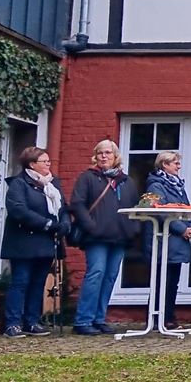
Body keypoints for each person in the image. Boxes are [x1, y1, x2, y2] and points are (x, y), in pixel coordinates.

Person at [70, 140, 139, 335]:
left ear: (115, 156)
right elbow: (77, 204)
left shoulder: (126, 181)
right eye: (100, 153)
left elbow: (134, 207)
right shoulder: (88, 178)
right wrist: (91, 226)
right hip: (96, 238)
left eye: (108, 153)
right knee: (96, 274)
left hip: (120, 238)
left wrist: (133, 229)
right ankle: (83, 320)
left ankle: (99, 318)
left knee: (110, 277)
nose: (104, 156)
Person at [1, 147, 69, 338]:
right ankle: (13, 323)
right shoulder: (19, 184)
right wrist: (47, 224)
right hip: (24, 242)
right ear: (32, 164)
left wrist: (64, 223)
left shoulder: (52, 185)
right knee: (20, 281)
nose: (48, 164)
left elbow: (63, 207)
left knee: (38, 282)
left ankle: (31, 321)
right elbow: (19, 210)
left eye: (49, 161)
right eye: (44, 161)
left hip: (46, 242)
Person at [144, 151, 191, 327]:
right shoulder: (155, 186)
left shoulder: (178, 186)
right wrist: (182, 229)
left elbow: (188, 208)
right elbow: (159, 211)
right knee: (160, 281)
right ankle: (157, 317)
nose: (179, 166)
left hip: (176, 242)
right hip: (164, 240)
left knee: (173, 281)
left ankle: (169, 316)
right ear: (164, 164)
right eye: (175, 163)